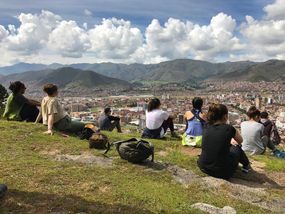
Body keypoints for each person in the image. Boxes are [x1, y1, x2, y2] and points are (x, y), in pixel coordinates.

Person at [198, 103, 250, 180]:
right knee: (237, 147)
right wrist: (231, 139)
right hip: (223, 172)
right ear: (225, 116)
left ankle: (246, 164)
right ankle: (246, 165)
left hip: (203, 166)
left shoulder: (206, 126)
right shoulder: (229, 128)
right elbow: (240, 141)